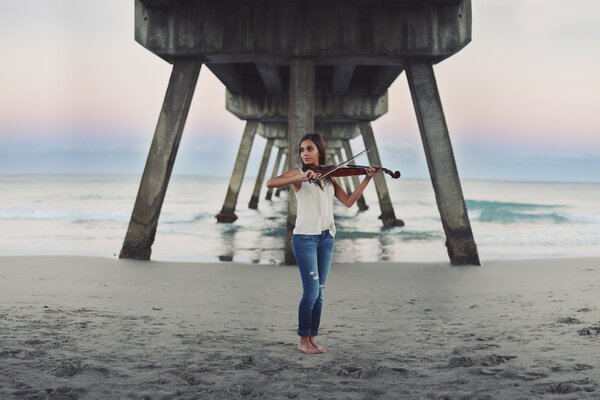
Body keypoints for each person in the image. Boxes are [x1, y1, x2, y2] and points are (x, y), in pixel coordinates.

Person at [266, 133, 379, 354]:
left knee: (320, 292)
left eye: (309, 149)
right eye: (302, 150)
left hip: (326, 238)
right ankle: (302, 340)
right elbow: (271, 183)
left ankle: (312, 338)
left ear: (319, 151)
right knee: (310, 293)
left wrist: (367, 179)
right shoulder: (299, 174)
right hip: (305, 239)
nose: (305, 153)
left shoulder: (328, 177)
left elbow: (348, 202)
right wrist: (299, 178)